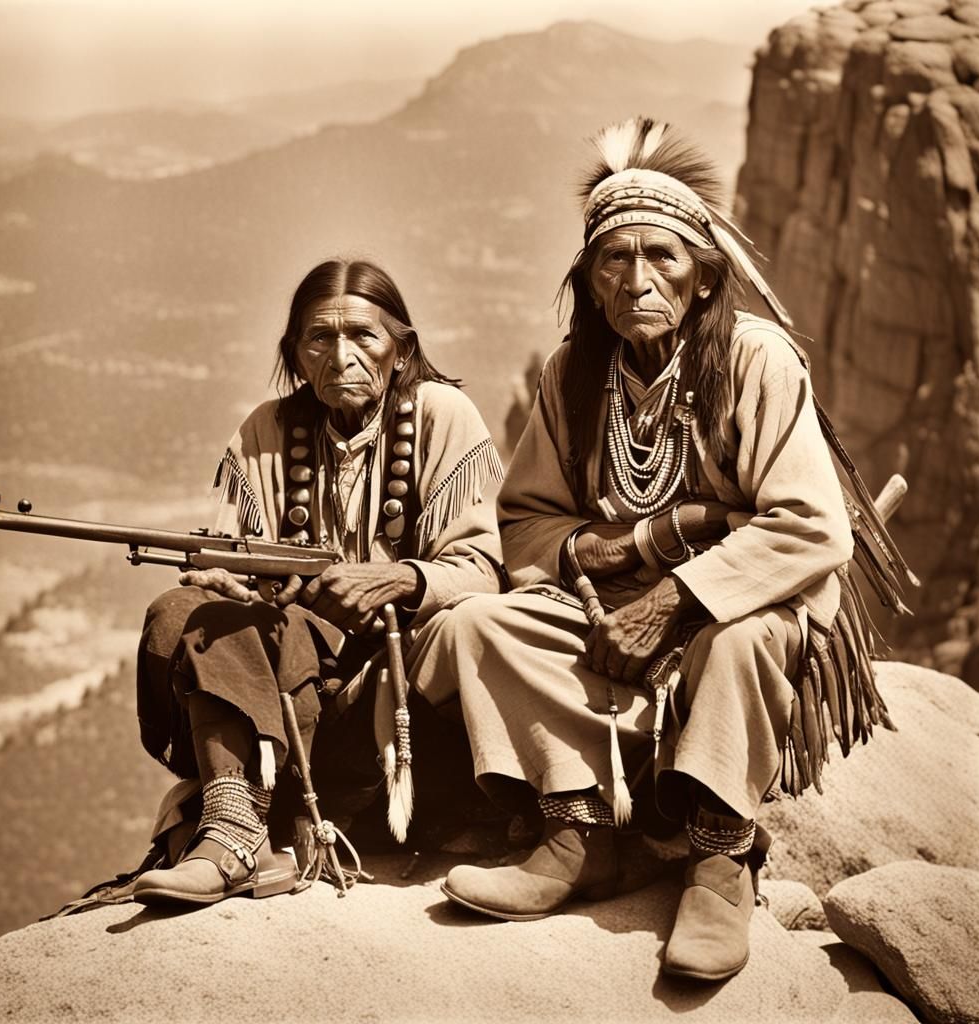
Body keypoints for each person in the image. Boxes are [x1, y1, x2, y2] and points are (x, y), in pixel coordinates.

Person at [411, 118, 907, 981]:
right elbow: (523, 523)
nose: (637, 279)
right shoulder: (573, 374)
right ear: (591, 278)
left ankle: (719, 856)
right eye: (614, 259)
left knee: (739, 641)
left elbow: (811, 527)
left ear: (706, 277)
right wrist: (614, 551)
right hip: (613, 610)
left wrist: (677, 597)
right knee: (478, 625)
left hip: (745, 608)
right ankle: (580, 833)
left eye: (663, 258)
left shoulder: (756, 361)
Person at [130, 258, 505, 906]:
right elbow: (225, 558)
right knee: (183, 611)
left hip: (397, 700)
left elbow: (483, 571)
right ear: (295, 354)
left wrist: (400, 580)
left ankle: (317, 811)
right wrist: (226, 581)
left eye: (363, 335)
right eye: (318, 339)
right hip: (278, 685)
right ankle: (233, 828)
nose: (341, 356)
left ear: (402, 347)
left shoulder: (443, 416)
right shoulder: (266, 432)